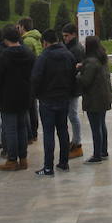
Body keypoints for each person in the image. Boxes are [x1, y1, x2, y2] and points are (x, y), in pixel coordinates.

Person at [31, 29, 76, 176]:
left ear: (44, 42)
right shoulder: (68, 55)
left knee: (48, 133)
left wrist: (37, 94)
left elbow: (36, 78)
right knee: (63, 130)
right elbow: (73, 75)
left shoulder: (43, 57)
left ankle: (48, 167)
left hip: (47, 99)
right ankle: (64, 162)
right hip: (64, 97)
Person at [0, 26, 35, 171]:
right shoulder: (29, 53)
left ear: (5, 39)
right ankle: (23, 158)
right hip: (25, 95)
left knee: (10, 129)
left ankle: (12, 159)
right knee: (22, 128)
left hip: (7, 96)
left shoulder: (2, 56)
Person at [77, 35, 112, 163]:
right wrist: (82, 67)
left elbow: (86, 81)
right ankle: (103, 151)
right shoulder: (101, 59)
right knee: (101, 125)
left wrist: (77, 75)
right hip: (104, 97)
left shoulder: (91, 61)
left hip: (94, 99)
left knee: (95, 127)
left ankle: (97, 154)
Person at [62, 23, 86, 160]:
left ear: (74, 35)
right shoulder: (71, 47)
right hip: (70, 87)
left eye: (67, 36)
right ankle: (75, 141)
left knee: (73, 115)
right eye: (63, 36)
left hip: (72, 87)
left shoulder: (76, 49)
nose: (65, 38)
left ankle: (77, 143)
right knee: (71, 115)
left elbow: (76, 69)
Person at [18, 16, 43, 143]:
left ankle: (30, 133)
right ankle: (34, 132)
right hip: (36, 74)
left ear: (23, 27)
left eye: (19, 26)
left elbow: (25, 60)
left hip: (29, 76)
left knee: (28, 107)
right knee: (33, 106)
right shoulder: (36, 38)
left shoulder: (27, 41)